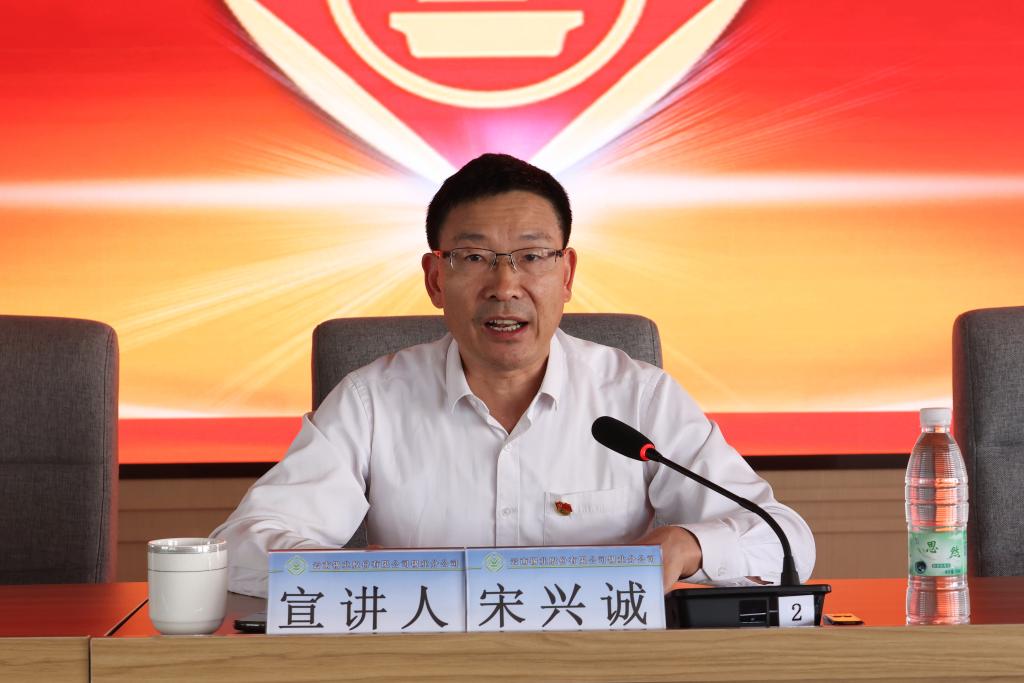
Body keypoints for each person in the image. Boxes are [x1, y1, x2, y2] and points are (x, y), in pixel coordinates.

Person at [213, 153, 815, 598]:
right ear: (435, 279)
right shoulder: (372, 401)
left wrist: (685, 546)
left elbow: (785, 539)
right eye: (474, 258)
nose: (505, 286)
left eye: (531, 257)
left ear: (566, 274)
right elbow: (242, 545)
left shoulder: (639, 397)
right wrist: (369, 574)